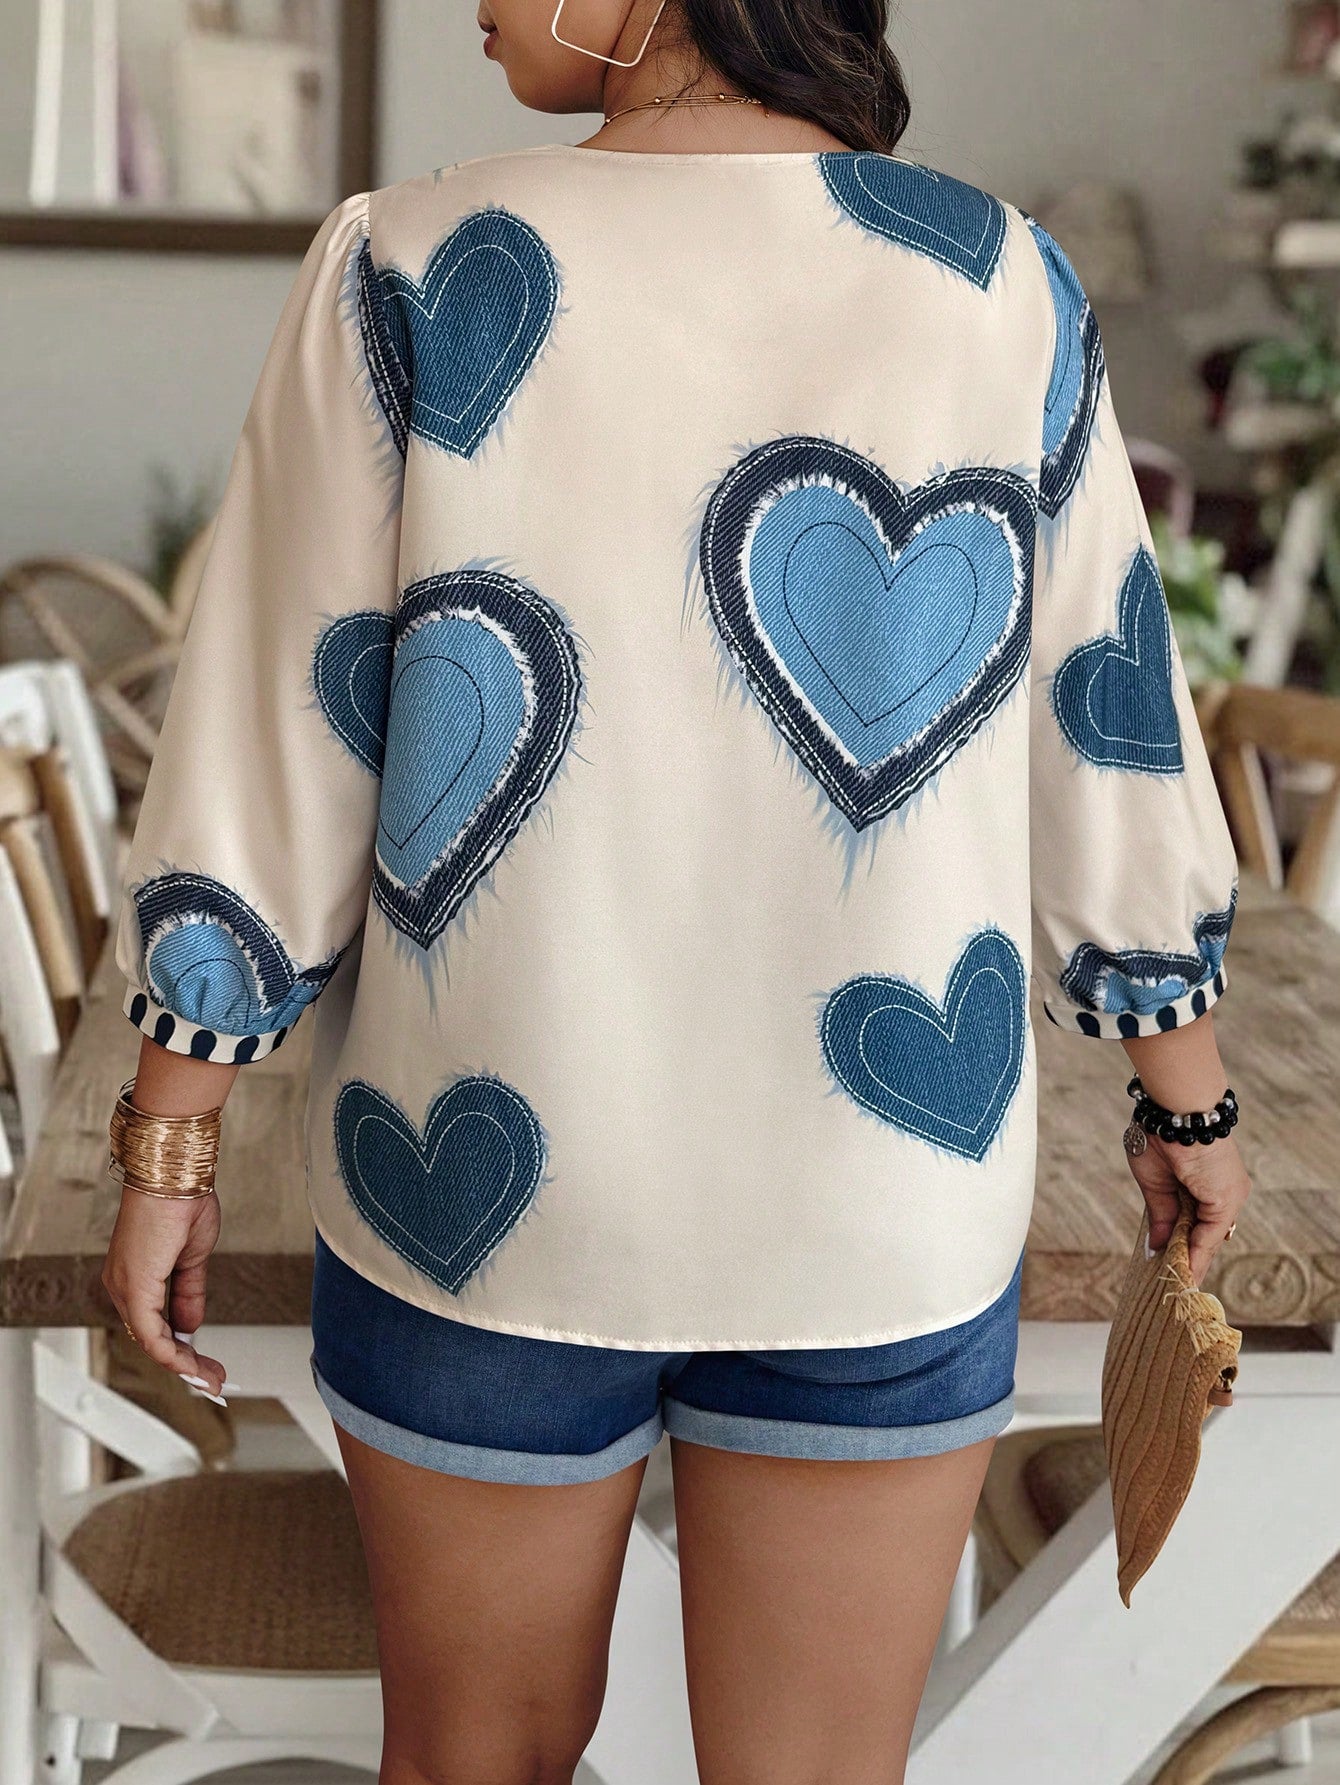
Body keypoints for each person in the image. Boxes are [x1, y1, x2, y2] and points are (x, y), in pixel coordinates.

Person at [100, 3, 1252, 1780]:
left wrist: (173, 1135)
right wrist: (1188, 1099)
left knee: (472, 1758)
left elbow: (283, 726)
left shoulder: (403, 265)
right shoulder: (996, 281)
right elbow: (1109, 728)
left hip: (478, 1204)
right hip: (882, 1196)